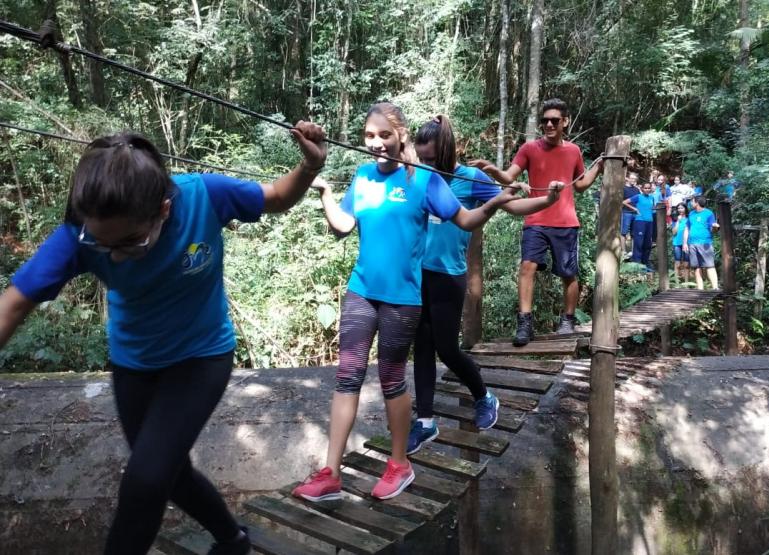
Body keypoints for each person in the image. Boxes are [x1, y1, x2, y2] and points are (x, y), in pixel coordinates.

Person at [0, 123, 327, 555]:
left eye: (130, 244)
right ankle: (233, 540)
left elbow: (278, 198)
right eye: (102, 244)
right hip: (133, 363)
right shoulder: (78, 237)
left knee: (147, 479)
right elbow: (13, 305)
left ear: (164, 209)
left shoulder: (205, 196)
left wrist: (310, 165)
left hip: (201, 357)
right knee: (166, 472)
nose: (113, 255)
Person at [293, 102, 518, 503]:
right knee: (348, 377)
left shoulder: (426, 181)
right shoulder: (362, 177)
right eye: (369, 136)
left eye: (383, 135)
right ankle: (330, 472)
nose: (376, 144)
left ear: (401, 136)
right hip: (361, 292)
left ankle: (399, 466)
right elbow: (343, 227)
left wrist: (495, 203)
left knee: (392, 380)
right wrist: (326, 192)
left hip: (402, 301)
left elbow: (464, 220)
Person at [407, 115, 563, 453]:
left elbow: (513, 204)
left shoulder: (470, 179)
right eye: (421, 158)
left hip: (448, 276)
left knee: (446, 348)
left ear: (446, 151)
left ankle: (484, 396)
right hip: (417, 274)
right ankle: (425, 421)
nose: (425, 164)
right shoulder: (416, 176)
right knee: (421, 346)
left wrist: (547, 201)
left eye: (431, 158)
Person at [469, 98, 603, 346]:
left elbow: (582, 184)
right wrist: (491, 169)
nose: (549, 125)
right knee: (527, 267)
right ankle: (525, 323)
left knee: (568, 273)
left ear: (565, 122)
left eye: (554, 120)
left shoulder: (573, 151)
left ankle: (568, 319)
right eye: (545, 121)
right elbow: (509, 177)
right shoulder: (529, 149)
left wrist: (598, 166)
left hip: (565, 222)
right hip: (536, 219)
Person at [683, 196, 720, 289]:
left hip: (705, 243)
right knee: (696, 266)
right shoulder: (691, 214)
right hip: (692, 243)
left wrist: (715, 227)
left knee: (710, 265)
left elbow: (713, 229)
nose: (690, 203)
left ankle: (715, 287)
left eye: (692, 201)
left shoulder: (708, 213)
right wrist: (684, 243)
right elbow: (687, 228)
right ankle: (700, 289)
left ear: (697, 203)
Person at [623, 180, 656, 271]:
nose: (647, 189)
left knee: (648, 243)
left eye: (649, 188)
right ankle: (636, 263)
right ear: (642, 189)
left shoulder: (651, 198)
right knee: (638, 242)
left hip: (650, 222)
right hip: (640, 221)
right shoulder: (638, 196)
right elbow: (624, 202)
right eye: (645, 188)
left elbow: (651, 208)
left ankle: (645, 262)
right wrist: (635, 209)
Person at [619, 172, 641, 257]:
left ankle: (633, 252)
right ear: (627, 178)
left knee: (634, 233)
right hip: (626, 212)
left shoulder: (636, 189)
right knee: (623, 232)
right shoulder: (623, 188)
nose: (633, 180)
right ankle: (623, 251)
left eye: (635, 179)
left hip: (635, 214)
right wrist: (634, 208)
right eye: (632, 178)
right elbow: (622, 202)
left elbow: (639, 200)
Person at [670, 203, 690, 283]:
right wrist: (678, 221)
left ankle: (686, 282)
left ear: (685, 209)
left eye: (682, 208)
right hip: (677, 243)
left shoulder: (689, 219)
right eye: (678, 208)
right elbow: (674, 232)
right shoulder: (675, 220)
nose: (680, 210)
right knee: (677, 263)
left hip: (687, 243)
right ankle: (676, 283)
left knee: (686, 264)